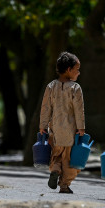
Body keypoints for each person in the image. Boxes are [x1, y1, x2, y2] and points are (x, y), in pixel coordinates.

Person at [39, 51, 85, 194]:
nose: (79, 73)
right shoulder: (76, 88)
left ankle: (55, 170)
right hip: (70, 131)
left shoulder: (51, 86)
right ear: (69, 70)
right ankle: (64, 185)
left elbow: (45, 107)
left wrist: (43, 126)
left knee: (57, 155)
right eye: (77, 69)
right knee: (69, 160)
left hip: (55, 130)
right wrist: (81, 128)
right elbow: (79, 110)